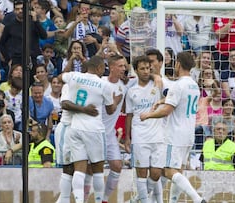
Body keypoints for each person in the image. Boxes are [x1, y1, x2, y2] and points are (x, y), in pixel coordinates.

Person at [140, 51, 206, 203]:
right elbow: (180, 101)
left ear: (178, 64)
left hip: (175, 134)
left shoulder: (178, 85)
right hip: (189, 134)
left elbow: (167, 111)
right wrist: (163, 100)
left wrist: (148, 115)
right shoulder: (194, 85)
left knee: (168, 171)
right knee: (179, 172)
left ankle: (197, 199)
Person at [61, 55, 119, 203]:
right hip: (94, 128)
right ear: (99, 68)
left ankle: (79, 201)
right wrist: (116, 100)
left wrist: (71, 64)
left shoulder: (74, 76)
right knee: (97, 168)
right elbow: (110, 110)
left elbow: (62, 76)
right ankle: (99, 200)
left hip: (75, 126)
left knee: (79, 168)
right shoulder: (104, 85)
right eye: (103, 69)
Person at [125, 55, 164, 203]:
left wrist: (157, 76)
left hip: (158, 135)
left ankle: (136, 200)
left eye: (148, 68)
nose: (146, 71)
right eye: (142, 68)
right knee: (141, 173)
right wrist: (127, 137)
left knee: (156, 173)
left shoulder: (158, 84)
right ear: (136, 71)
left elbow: (169, 96)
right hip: (140, 135)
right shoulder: (131, 91)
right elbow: (129, 115)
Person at [101, 55, 128, 203]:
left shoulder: (124, 86)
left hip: (110, 133)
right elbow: (110, 109)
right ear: (111, 67)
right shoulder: (101, 83)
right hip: (96, 131)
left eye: (124, 66)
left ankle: (104, 200)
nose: (123, 69)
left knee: (117, 166)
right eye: (120, 66)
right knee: (91, 169)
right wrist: (116, 100)